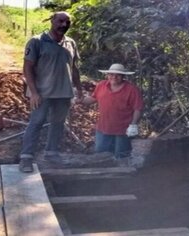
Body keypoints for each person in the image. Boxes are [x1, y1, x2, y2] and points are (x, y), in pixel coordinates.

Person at [20, 11, 83, 172]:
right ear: (52, 21)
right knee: (36, 122)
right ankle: (26, 158)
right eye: (60, 21)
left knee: (58, 123)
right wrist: (33, 92)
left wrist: (79, 89)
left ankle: (52, 153)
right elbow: (27, 68)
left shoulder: (70, 43)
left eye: (67, 22)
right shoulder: (37, 42)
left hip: (63, 93)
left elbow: (75, 68)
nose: (64, 25)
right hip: (42, 93)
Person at [78, 63, 144, 164]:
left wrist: (133, 125)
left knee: (122, 157)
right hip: (103, 128)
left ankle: (123, 178)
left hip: (123, 130)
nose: (114, 77)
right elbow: (92, 99)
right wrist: (80, 99)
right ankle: (104, 178)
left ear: (123, 76)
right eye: (111, 74)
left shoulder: (132, 90)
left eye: (118, 75)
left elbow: (138, 109)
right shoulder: (101, 85)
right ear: (107, 75)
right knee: (101, 157)